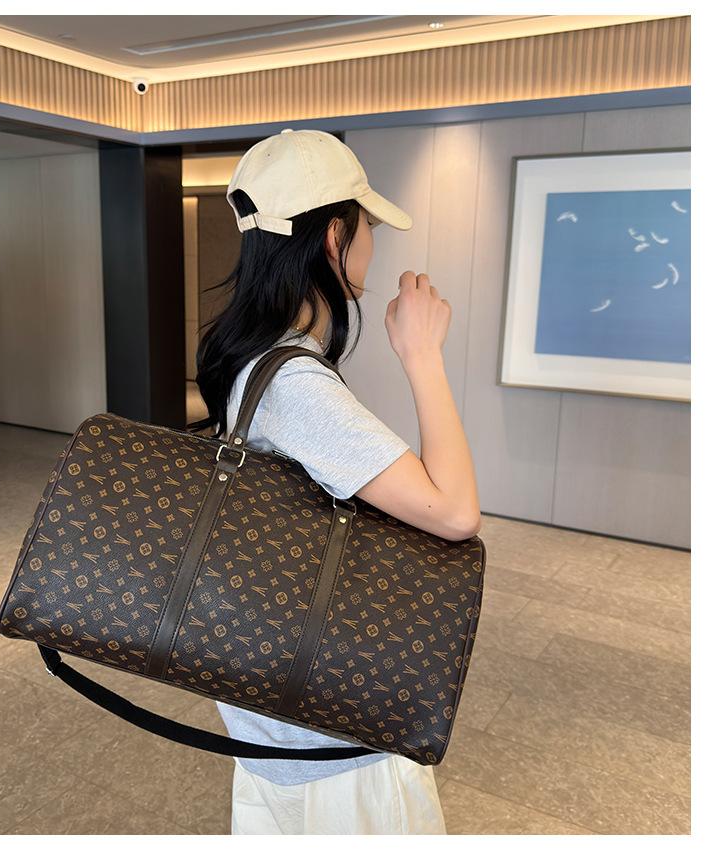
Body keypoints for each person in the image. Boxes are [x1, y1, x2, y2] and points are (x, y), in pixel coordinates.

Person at [187, 128, 481, 834]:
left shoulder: (252, 354)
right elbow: (454, 513)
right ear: (334, 238)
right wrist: (423, 355)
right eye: (368, 226)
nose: (374, 245)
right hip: (324, 729)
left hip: (278, 697)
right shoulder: (294, 383)